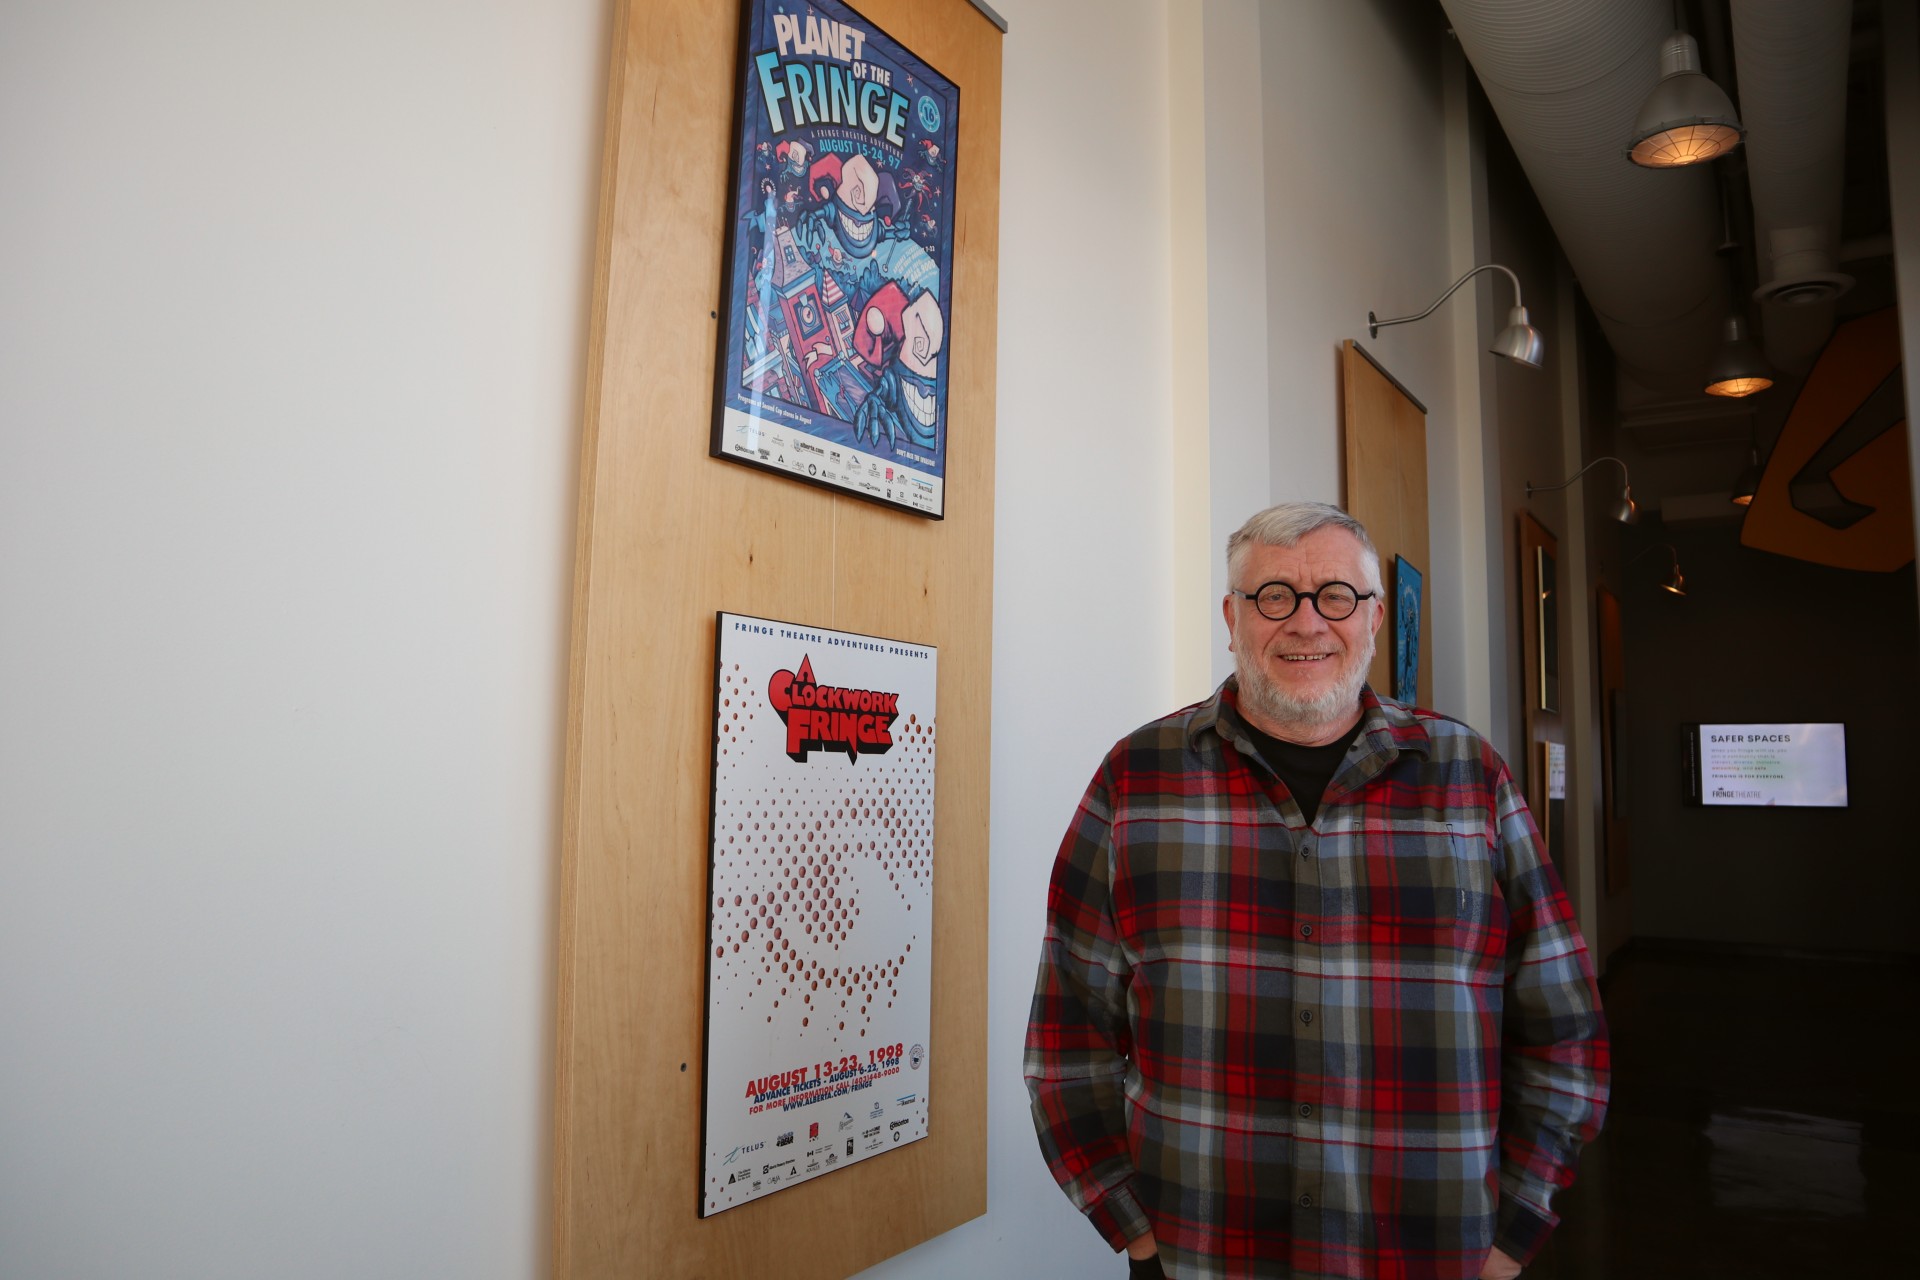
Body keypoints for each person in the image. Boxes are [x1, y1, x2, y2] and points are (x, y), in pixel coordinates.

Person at [1025, 502, 1608, 1280]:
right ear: (1233, 619)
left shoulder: (1470, 779)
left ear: (1373, 621)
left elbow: (1563, 1029)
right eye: (1274, 596)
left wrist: (1514, 1235)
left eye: (1336, 595)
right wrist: (1134, 1229)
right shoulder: (1136, 781)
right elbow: (1067, 1034)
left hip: (1432, 1256)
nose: (1306, 623)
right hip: (1202, 1255)